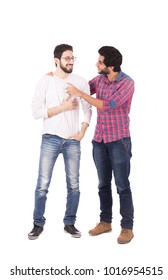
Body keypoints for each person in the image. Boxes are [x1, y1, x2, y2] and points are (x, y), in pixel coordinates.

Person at [66, 46, 134, 244]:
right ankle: (105, 222)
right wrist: (57, 78)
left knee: (122, 186)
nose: (96, 64)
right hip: (99, 140)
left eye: (100, 62)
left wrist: (79, 92)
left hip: (119, 141)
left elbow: (107, 105)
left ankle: (127, 227)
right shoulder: (100, 79)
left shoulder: (127, 83)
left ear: (111, 66)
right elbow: (86, 87)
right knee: (103, 184)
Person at [28, 44, 92, 240]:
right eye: (67, 58)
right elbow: (36, 113)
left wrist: (82, 132)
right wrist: (62, 107)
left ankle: (70, 223)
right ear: (57, 60)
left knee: (74, 185)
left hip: (73, 140)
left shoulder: (80, 81)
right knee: (43, 184)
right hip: (50, 138)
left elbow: (87, 108)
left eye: (73, 58)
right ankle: (38, 224)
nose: (71, 61)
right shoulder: (45, 81)